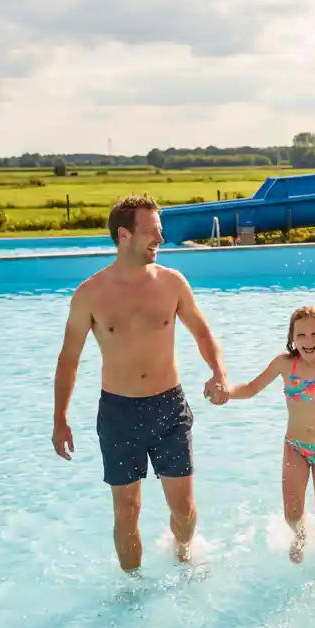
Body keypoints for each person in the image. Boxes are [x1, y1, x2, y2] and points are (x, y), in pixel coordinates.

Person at [52, 194, 229, 573]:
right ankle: (132, 589)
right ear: (124, 235)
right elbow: (69, 360)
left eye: (160, 232)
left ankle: (183, 554)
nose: (161, 241)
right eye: (152, 233)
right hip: (118, 412)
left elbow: (202, 333)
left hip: (169, 407)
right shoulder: (90, 294)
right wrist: (60, 418)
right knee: (126, 510)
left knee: (183, 510)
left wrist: (218, 372)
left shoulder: (172, 283)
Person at [215, 306, 315, 563]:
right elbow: (251, 388)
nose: (308, 341)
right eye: (301, 335)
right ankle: (300, 535)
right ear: (292, 337)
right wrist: (227, 392)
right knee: (292, 513)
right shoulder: (284, 364)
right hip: (295, 447)